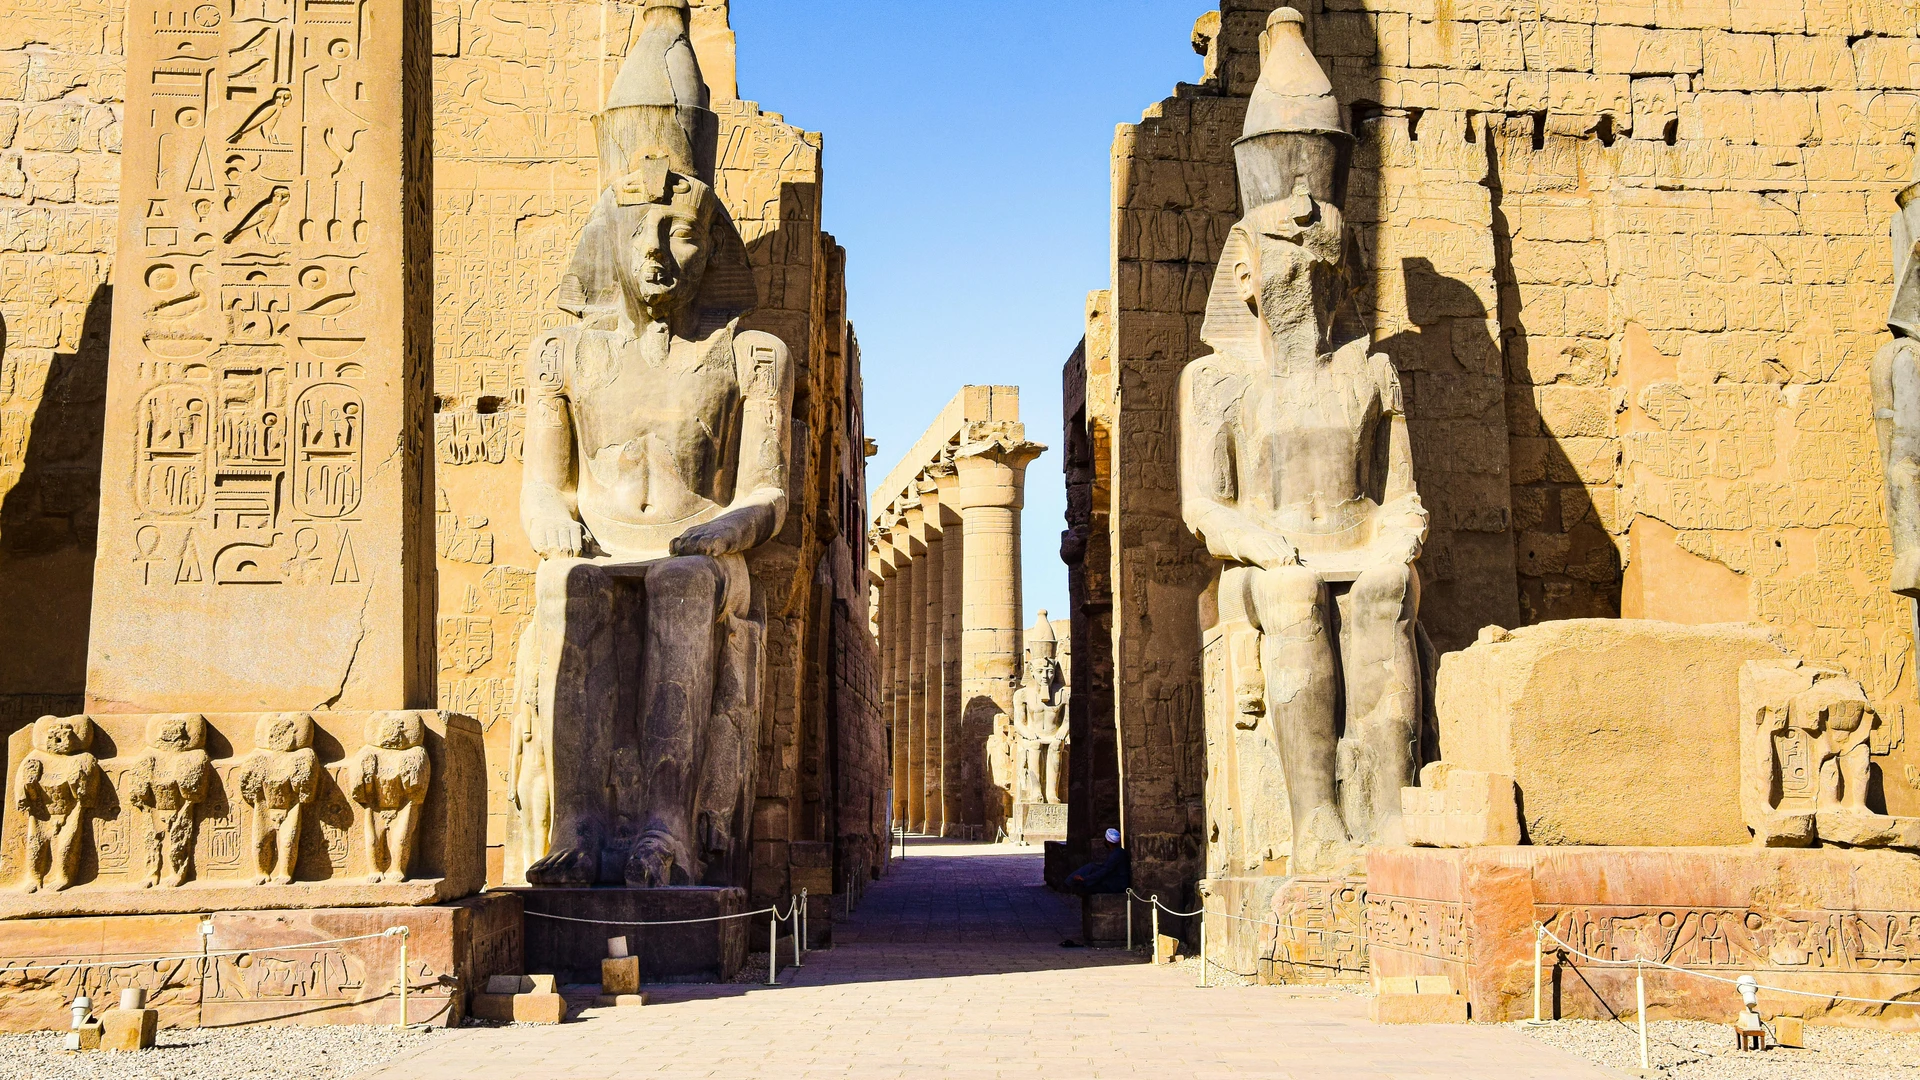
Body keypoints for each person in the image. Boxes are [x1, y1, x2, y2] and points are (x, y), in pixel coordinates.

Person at [1065, 828, 1130, 896]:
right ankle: (1069, 881)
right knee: (1092, 866)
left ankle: (1069, 884)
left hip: (1116, 885)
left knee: (1084, 887)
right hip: (1115, 881)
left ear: (1107, 841)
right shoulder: (1118, 852)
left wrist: (1085, 879)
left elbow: (1104, 871)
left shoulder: (1116, 854)